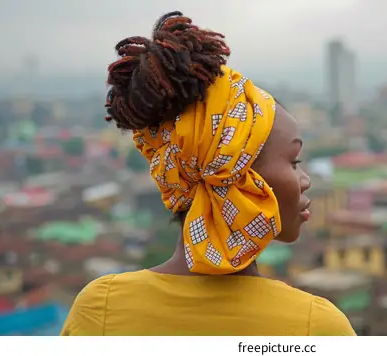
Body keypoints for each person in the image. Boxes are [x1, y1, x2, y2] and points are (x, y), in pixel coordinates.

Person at [61, 11, 356, 336]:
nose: (306, 180)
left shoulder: (100, 309)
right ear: (235, 172)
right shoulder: (316, 327)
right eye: (294, 161)